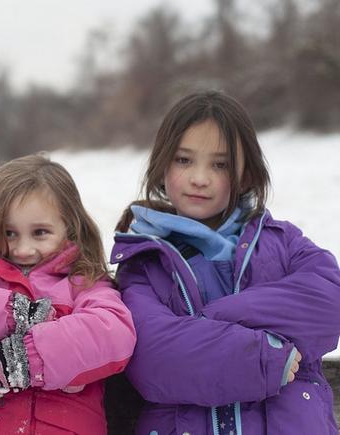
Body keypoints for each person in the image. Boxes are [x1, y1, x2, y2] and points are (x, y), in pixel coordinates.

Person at [111, 90, 340, 434]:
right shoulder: (143, 261)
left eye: (220, 164)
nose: (199, 178)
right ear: (162, 165)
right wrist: (261, 356)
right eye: (184, 160)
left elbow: (329, 302)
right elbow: (153, 357)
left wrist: (203, 322)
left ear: (246, 174)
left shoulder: (282, 242)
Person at [0, 154, 136, 434]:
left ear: (71, 227)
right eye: (9, 233)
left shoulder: (85, 283)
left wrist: (2, 365)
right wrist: (19, 315)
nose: (22, 249)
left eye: (40, 232)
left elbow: (111, 333)